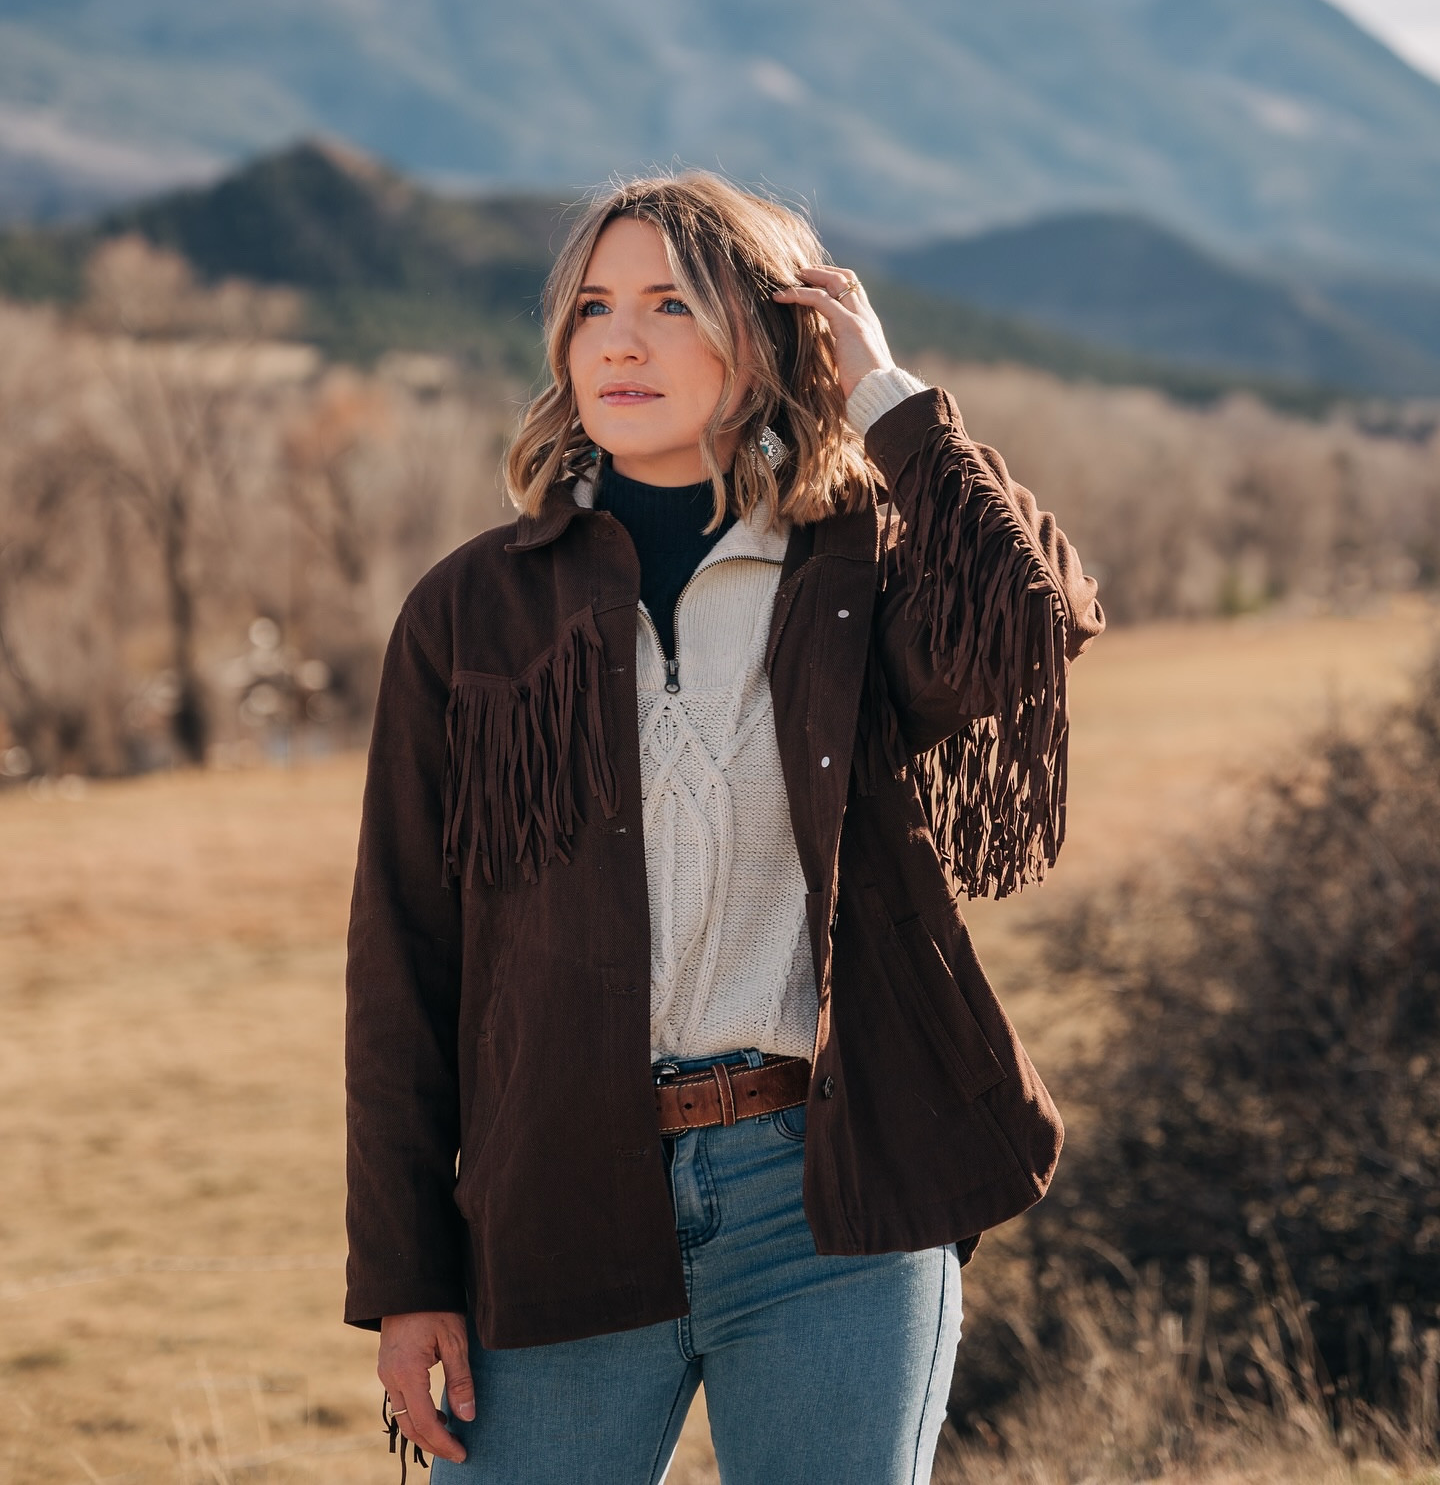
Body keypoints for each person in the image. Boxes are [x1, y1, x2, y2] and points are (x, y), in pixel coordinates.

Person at [344, 172, 1104, 1485]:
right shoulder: (469, 613)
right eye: (592, 307)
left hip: (832, 1197)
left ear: (768, 336)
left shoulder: (851, 571)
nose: (621, 342)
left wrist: (887, 394)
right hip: (560, 1194)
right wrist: (407, 1274)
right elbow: (401, 963)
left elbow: (1032, 616)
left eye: (671, 305)